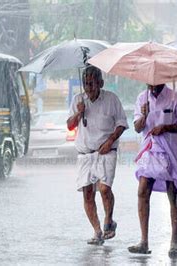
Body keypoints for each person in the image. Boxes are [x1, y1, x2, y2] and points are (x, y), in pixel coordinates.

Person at [67, 66, 128, 245]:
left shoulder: (111, 99)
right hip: (85, 154)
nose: (89, 88)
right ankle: (97, 231)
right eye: (86, 84)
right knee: (87, 193)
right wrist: (79, 113)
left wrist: (110, 141)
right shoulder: (78, 100)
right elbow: (70, 126)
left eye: (92, 84)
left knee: (104, 189)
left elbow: (122, 124)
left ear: (101, 83)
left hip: (106, 152)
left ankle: (109, 220)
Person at [128, 84, 177, 257]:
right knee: (142, 189)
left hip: (172, 151)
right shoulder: (142, 98)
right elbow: (138, 127)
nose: (152, 83)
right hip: (150, 148)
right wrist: (144, 116)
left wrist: (166, 127)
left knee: (174, 193)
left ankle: (175, 241)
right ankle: (143, 241)